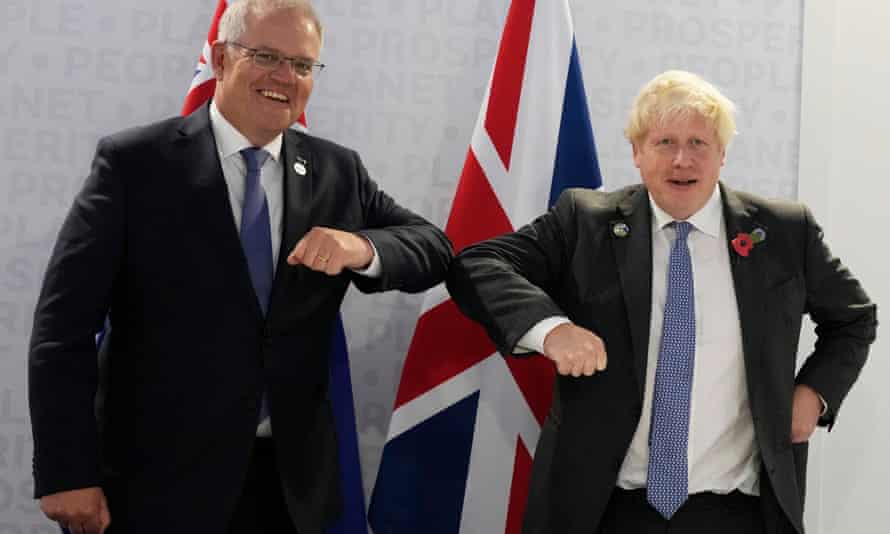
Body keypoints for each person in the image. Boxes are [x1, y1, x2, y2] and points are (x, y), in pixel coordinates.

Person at [28, 1, 452, 533]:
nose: (285, 77)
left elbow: (434, 248)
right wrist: (67, 471)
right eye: (267, 56)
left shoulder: (335, 170)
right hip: (154, 485)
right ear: (223, 60)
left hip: (288, 490)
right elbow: (61, 329)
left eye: (302, 65)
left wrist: (360, 248)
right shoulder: (135, 164)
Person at [446, 70, 876, 534]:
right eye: (664, 141)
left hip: (738, 513)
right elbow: (477, 265)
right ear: (636, 152)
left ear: (722, 154)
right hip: (602, 508)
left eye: (698, 143)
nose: (681, 160)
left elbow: (854, 319)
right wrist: (551, 330)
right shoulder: (584, 222)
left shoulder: (782, 231)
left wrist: (814, 394)